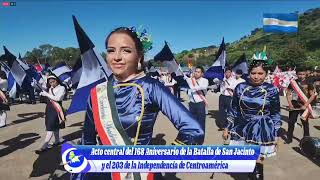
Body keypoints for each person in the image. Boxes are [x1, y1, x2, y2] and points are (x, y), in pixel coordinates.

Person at [73, 27, 204, 180]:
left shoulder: (150, 87)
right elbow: (87, 140)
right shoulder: (96, 92)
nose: (116, 57)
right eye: (111, 50)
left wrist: (162, 161)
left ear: (139, 56)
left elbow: (193, 130)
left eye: (126, 51)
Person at [222, 60, 281, 180]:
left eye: (260, 73)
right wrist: (227, 127)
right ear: (249, 73)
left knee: (258, 160)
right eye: (253, 73)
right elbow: (234, 109)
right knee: (248, 159)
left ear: (266, 74)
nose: (256, 76)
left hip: (262, 128)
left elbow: (275, 113)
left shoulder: (271, 89)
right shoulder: (240, 87)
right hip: (242, 127)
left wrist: (276, 134)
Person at [35, 74, 66, 154]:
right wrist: (36, 85)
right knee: (55, 126)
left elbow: (58, 98)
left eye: (53, 81)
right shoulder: (50, 88)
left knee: (50, 128)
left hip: (56, 109)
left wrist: (47, 94)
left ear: (57, 80)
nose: (52, 83)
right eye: (50, 82)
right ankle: (57, 141)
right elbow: (43, 90)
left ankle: (44, 146)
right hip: (49, 109)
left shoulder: (62, 88)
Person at [286, 69, 316, 144]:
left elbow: (312, 95)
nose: (301, 76)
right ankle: (289, 138)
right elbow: (288, 93)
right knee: (291, 122)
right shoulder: (293, 82)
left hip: (304, 105)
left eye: (303, 74)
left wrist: (305, 105)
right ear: (296, 74)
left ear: (305, 74)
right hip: (294, 105)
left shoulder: (309, 82)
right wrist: (290, 104)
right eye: (299, 74)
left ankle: (306, 140)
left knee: (305, 123)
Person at [185, 66, 209, 133]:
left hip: (200, 104)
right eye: (195, 71)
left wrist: (193, 84)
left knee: (201, 122)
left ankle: (201, 136)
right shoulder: (190, 80)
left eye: (198, 72)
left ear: (202, 74)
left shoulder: (205, 80)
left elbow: (203, 87)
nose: (196, 73)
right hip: (191, 103)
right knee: (192, 121)